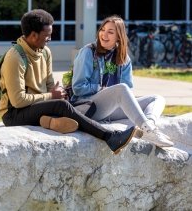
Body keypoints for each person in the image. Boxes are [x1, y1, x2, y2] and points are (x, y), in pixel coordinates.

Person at [0, 9, 143, 155]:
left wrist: (59, 92)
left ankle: (50, 121)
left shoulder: (45, 52)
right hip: (14, 114)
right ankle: (110, 137)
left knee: (63, 103)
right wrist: (51, 96)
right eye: (47, 36)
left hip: (36, 105)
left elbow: (49, 84)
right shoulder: (14, 58)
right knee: (61, 105)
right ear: (34, 35)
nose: (50, 39)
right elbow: (18, 101)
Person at [71, 15, 174, 148]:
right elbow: (78, 88)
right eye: (103, 29)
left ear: (119, 37)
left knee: (157, 98)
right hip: (90, 107)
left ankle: (150, 126)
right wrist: (101, 89)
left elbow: (128, 90)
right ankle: (148, 129)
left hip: (113, 108)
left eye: (110, 32)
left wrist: (122, 98)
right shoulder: (88, 52)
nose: (104, 34)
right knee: (121, 88)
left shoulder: (123, 58)